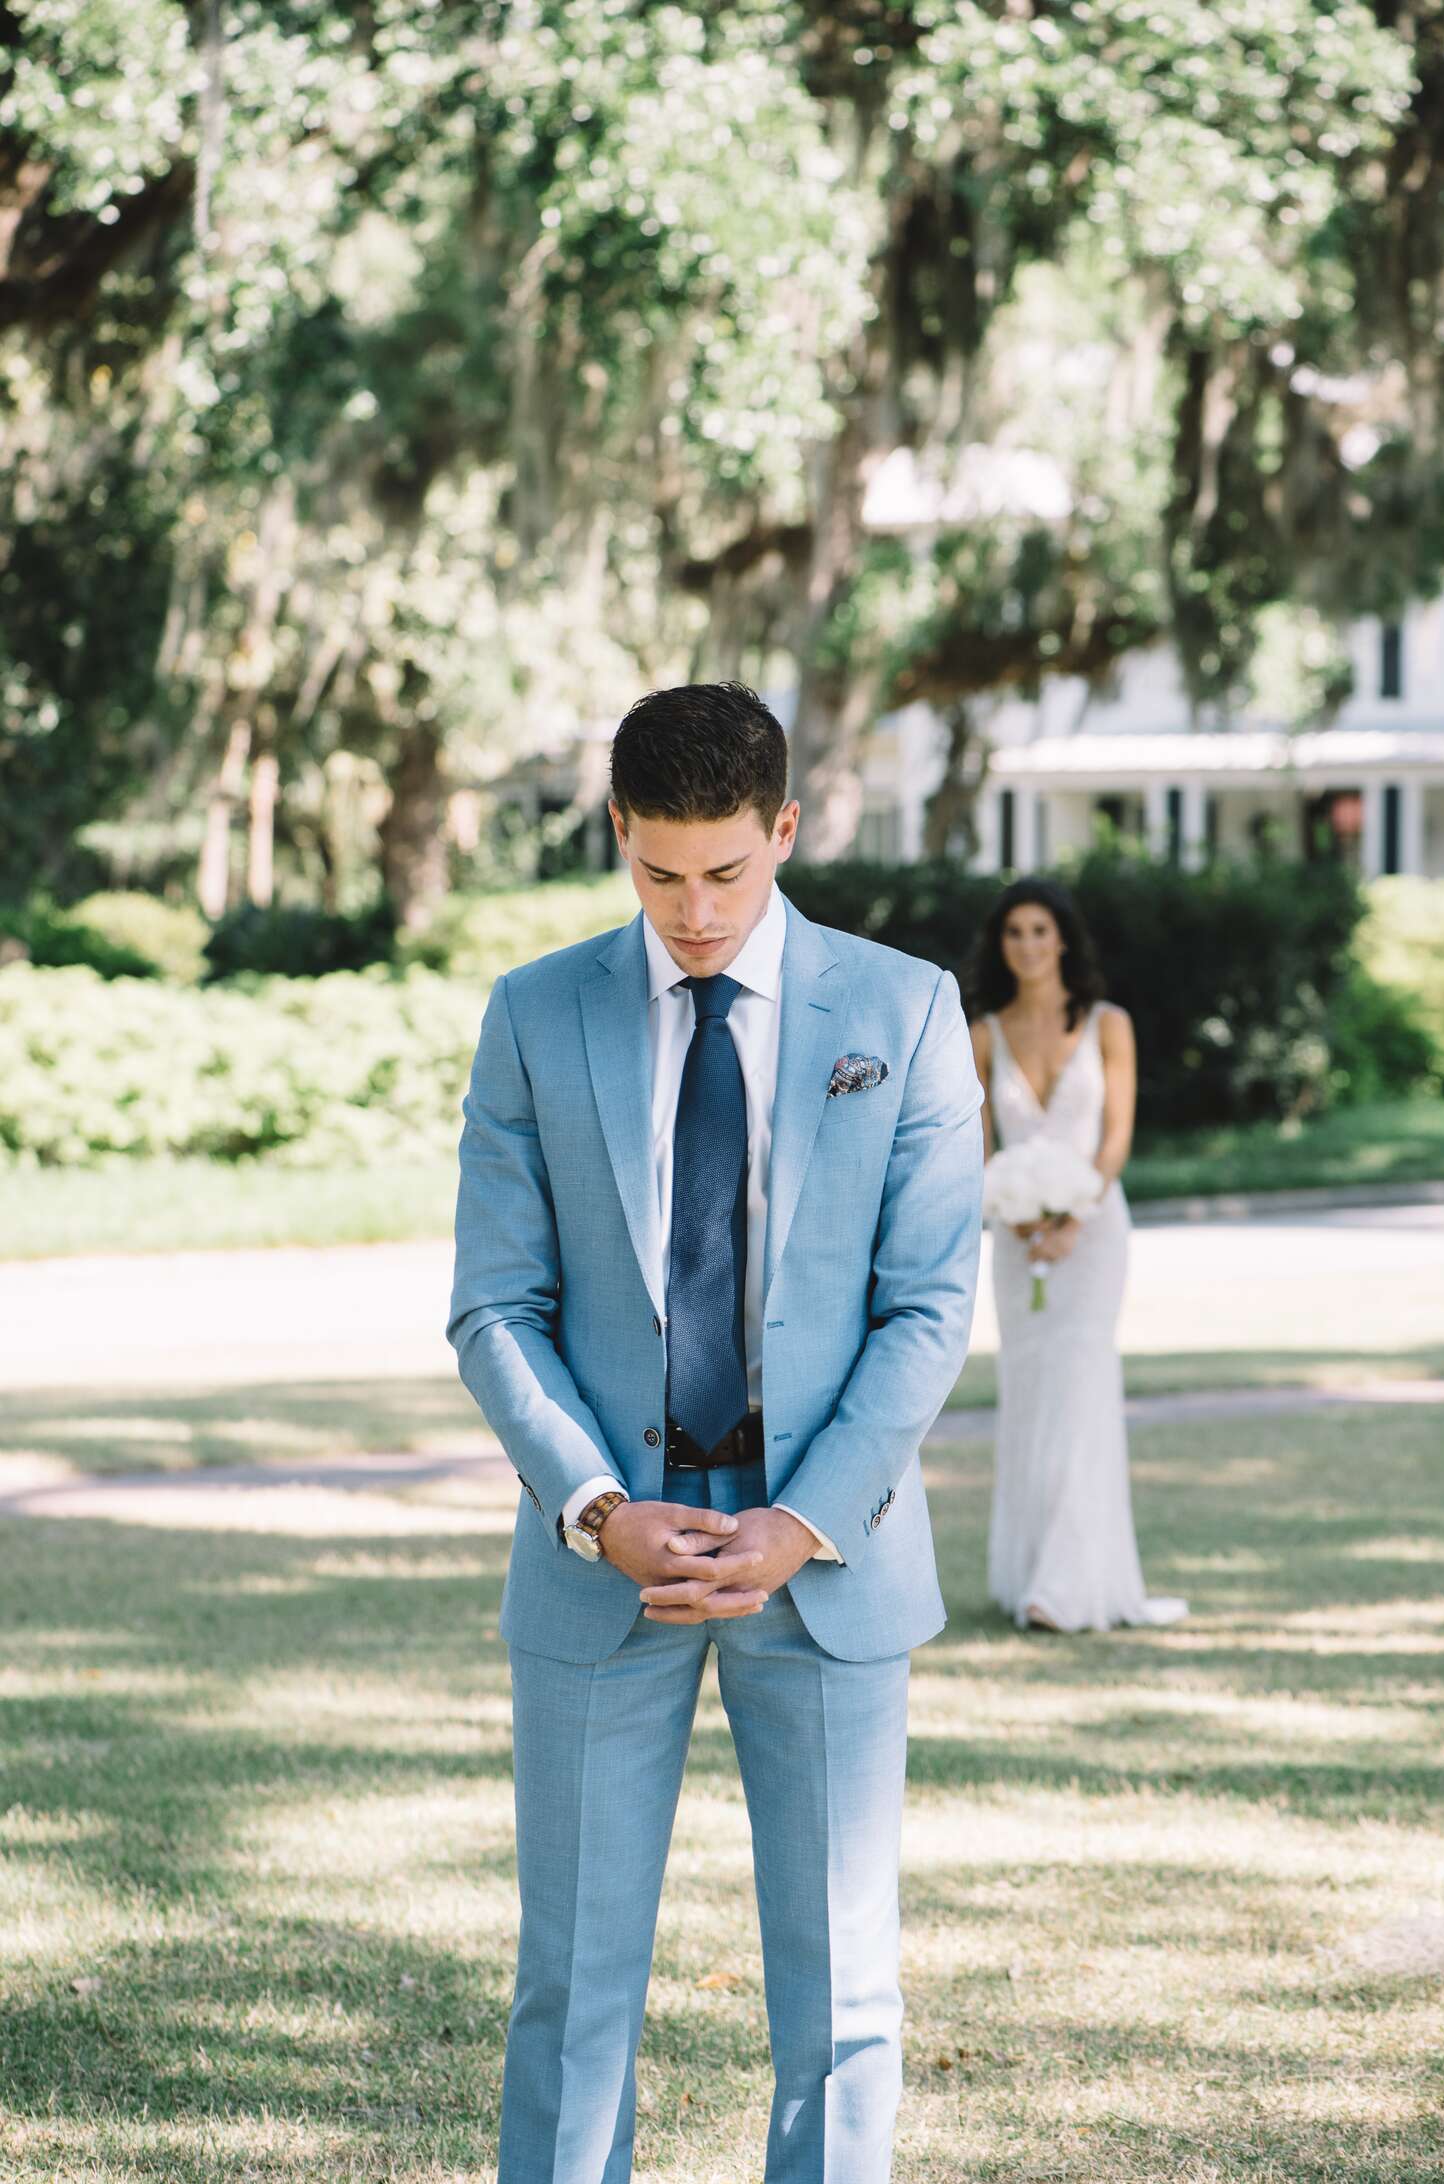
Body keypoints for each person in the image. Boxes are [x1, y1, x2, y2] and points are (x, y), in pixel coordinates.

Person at [448, 683, 983, 2184]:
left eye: (727, 872)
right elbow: (496, 1306)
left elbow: (927, 1308)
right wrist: (594, 1506)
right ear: (619, 834)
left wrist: (798, 1520)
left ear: (786, 832)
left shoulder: (903, 1008)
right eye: (659, 871)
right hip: (601, 1557)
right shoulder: (534, 1015)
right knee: (569, 1997)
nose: (693, 911)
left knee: (840, 2002)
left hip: (822, 1563)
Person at [968, 877, 1187, 1635]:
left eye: (1040, 930)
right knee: (1031, 1392)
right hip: (1016, 1240)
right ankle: (1031, 1572)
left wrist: (1075, 1213)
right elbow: (981, 1143)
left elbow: (1116, 1135)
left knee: (1085, 1385)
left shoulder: (1108, 1025)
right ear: (1002, 946)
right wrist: (1011, 1213)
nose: (1027, 945)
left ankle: (1071, 1584)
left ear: (1063, 939)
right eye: (1014, 933)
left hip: (1095, 1235)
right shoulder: (985, 1033)